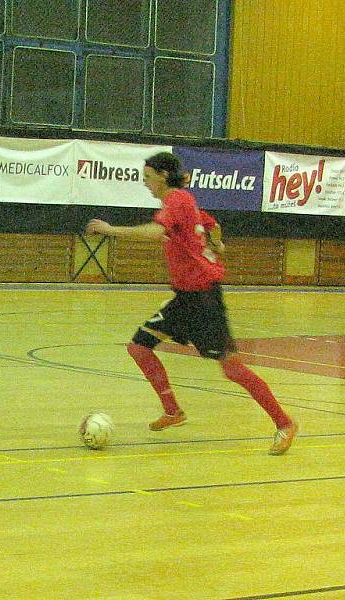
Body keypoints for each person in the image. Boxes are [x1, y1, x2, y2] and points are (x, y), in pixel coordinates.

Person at [85, 151, 298, 455]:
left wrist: (110, 230)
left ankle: (284, 422)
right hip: (184, 298)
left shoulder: (177, 199)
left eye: (147, 177)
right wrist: (215, 242)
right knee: (139, 347)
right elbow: (211, 223)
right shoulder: (184, 203)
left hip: (203, 300)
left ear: (161, 175)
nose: (145, 184)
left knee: (232, 369)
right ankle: (173, 411)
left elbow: (156, 231)